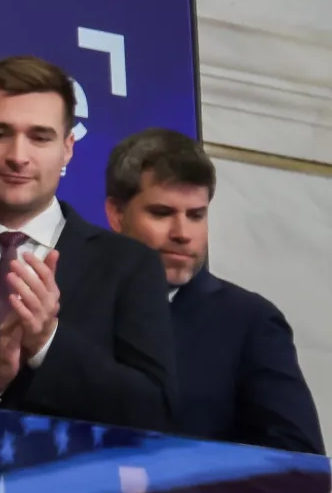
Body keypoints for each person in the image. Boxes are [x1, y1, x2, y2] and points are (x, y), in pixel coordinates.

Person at [0, 55, 174, 429]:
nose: (18, 157)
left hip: (82, 484)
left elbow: (155, 410)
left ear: (67, 147)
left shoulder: (129, 265)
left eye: (39, 137)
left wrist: (49, 342)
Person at [104, 129, 321, 453]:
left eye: (196, 216)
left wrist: (173, 483)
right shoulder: (73, 301)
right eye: (162, 213)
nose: (182, 234)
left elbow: (299, 458)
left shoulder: (249, 321)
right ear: (117, 214)